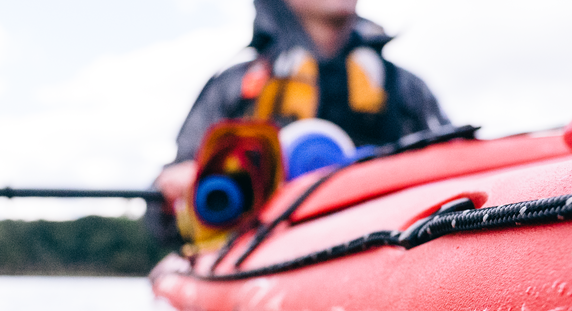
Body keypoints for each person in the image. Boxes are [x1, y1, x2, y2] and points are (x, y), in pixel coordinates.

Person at [148, 0, 449, 245]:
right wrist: (179, 189)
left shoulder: (405, 88)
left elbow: (455, 168)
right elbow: (159, 216)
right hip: (259, 250)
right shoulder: (234, 87)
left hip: (389, 238)